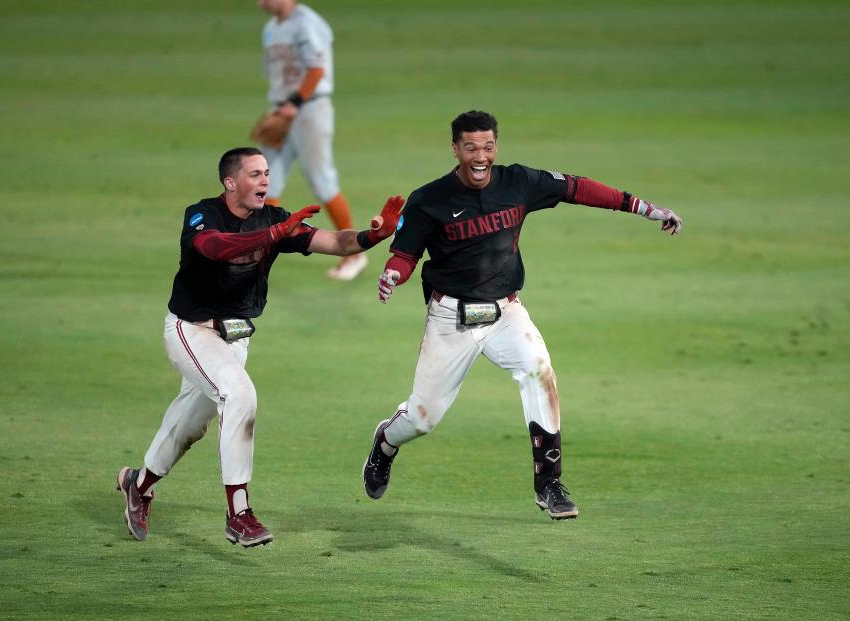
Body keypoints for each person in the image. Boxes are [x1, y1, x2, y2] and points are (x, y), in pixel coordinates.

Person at [362, 110, 683, 519]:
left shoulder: (518, 182)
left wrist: (642, 207)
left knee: (539, 369)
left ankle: (549, 483)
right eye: (472, 147)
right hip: (450, 320)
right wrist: (393, 275)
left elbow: (577, 188)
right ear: (456, 149)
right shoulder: (430, 199)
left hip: (506, 313)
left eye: (489, 146)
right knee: (423, 420)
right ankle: (386, 441)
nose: (481, 156)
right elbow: (404, 255)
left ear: (497, 146)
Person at [117, 147, 404, 548]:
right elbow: (214, 247)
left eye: (267, 173)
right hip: (191, 330)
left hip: (235, 338)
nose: (265, 181)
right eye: (255, 174)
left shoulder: (275, 219)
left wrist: (374, 235)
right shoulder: (203, 214)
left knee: (190, 425)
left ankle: (138, 484)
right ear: (230, 182)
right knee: (240, 395)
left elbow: (337, 242)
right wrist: (274, 235)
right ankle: (239, 514)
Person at [254, 0, 366, 281]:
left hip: (309, 110)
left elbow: (317, 70)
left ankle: (354, 254)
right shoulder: (271, 28)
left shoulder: (307, 23)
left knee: (321, 181)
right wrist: (281, 107)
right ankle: (264, 253)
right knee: (266, 182)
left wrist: (294, 102)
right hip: (283, 110)